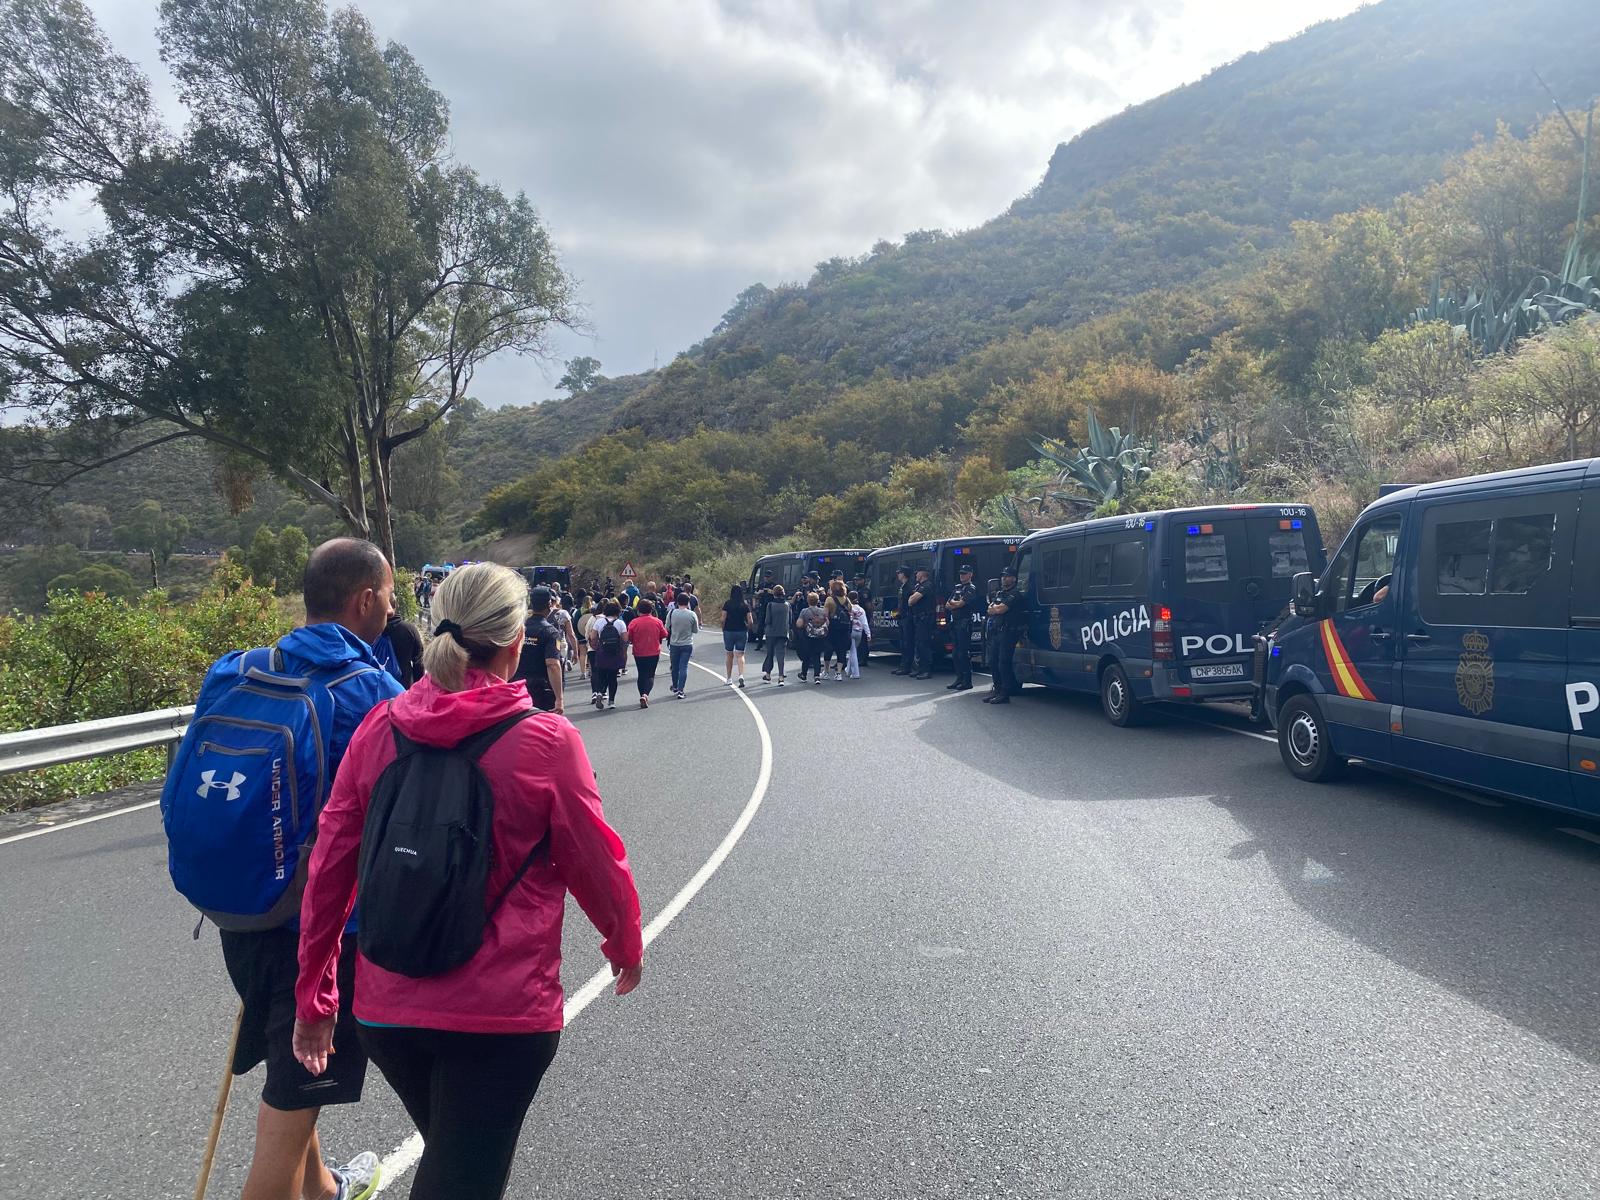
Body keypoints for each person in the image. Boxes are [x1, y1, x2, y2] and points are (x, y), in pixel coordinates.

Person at [291, 562, 643, 1200]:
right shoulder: (545, 741)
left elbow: (332, 864)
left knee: (458, 1161)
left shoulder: (381, 726)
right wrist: (624, 942)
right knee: (464, 1175)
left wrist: (315, 992)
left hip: (387, 1009)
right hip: (500, 1017)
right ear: (517, 644)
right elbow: (595, 860)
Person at [163, 538, 404, 1200]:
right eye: (389, 594)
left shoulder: (234, 669)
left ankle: (322, 1189)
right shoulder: (374, 693)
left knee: (287, 1059)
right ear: (365, 599)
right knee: (301, 1079)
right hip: (323, 932)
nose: (392, 606)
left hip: (237, 908)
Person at [512, 587, 564, 714]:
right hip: (542, 689)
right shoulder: (551, 632)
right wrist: (559, 698)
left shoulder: (518, 629)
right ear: (549, 604)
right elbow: (553, 664)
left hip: (518, 687)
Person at [986, 564, 1026, 704]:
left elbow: (1000, 609)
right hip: (997, 631)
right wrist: (994, 608)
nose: (1004, 579)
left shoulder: (1015, 594)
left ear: (1014, 579)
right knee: (993, 661)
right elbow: (990, 608)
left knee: (1004, 662)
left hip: (1009, 632)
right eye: (1003, 576)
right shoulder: (1000, 593)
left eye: (1007, 576)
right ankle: (997, 690)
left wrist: (995, 608)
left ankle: (1005, 692)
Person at [588, 600, 628, 710]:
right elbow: (625, 639)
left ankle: (600, 692)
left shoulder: (599, 622)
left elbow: (593, 637)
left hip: (602, 652)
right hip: (614, 653)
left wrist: (596, 646)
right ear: (618, 611)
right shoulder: (620, 623)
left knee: (601, 674)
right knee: (612, 677)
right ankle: (611, 701)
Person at [945, 562, 979, 692]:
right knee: (955, 653)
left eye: (964, 573)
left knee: (963, 653)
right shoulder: (957, 588)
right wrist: (955, 603)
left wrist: (955, 603)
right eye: (960, 573)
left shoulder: (971, 588)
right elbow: (948, 604)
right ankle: (959, 678)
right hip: (956, 622)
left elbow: (961, 604)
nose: (962, 575)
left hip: (965, 622)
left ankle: (967, 680)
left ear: (970, 575)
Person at [628, 596, 667, 708]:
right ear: (651, 610)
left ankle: (642, 694)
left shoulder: (634, 622)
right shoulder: (657, 622)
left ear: (639, 610)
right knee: (650, 675)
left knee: (641, 674)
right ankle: (645, 694)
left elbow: (629, 637)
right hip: (653, 652)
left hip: (639, 652)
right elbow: (664, 634)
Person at [373, 611, 424, 688]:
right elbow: (419, 662)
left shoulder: (371, 630)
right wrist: (417, 688)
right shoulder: (409, 629)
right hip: (404, 685)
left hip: (378, 686)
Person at [666, 592, 700, 698]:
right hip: (687, 643)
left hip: (674, 643)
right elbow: (696, 630)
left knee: (674, 667)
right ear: (688, 602)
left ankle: (675, 686)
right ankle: (681, 690)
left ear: (677, 601)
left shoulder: (671, 613)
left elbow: (667, 627)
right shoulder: (692, 614)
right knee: (683, 667)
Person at [721, 583, 752, 688]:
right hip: (741, 631)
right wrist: (747, 628)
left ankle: (729, 678)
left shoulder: (727, 604)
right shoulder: (745, 605)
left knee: (729, 654)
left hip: (729, 631)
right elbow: (750, 620)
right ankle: (741, 675)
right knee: (740, 654)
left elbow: (722, 618)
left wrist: (723, 628)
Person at [907, 566, 935, 680]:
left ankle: (926, 670)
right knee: (919, 645)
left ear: (922, 574)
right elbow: (910, 600)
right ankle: (920, 668)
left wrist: (912, 598)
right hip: (918, 619)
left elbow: (912, 600)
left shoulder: (927, 586)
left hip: (925, 619)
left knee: (924, 645)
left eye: (917, 573)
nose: (916, 575)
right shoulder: (919, 586)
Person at [760, 585, 791, 683]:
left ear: (774, 593)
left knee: (770, 653)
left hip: (771, 632)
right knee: (781, 655)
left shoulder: (770, 605)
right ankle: (781, 677)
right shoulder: (787, 605)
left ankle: (768, 675)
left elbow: (767, 620)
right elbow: (790, 620)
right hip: (783, 632)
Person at [796, 591, 829, 684]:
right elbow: (827, 623)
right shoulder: (822, 611)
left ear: (808, 601)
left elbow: (799, 624)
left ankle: (804, 674)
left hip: (808, 636)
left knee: (806, 656)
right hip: (820, 637)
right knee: (817, 656)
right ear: (817, 600)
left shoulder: (804, 611)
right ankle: (817, 676)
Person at [824, 584, 853, 682]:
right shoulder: (847, 600)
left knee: (828, 649)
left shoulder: (829, 600)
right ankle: (839, 673)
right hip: (844, 628)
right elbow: (850, 612)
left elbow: (825, 615)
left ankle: (826, 672)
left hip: (833, 627)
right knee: (841, 650)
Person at [891, 567, 915, 676]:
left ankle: (907, 666)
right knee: (903, 643)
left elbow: (909, 604)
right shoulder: (903, 586)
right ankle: (903, 665)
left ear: (904, 574)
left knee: (907, 643)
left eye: (899, 573)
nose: (898, 575)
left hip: (907, 618)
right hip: (902, 617)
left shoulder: (909, 587)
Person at [847, 589, 870, 678]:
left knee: (852, 651)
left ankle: (855, 673)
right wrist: (868, 634)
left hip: (851, 631)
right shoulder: (861, 609)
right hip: (859, 632)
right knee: (853, 650)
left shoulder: (848, 608)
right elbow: (865, 622)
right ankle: (848, 670)